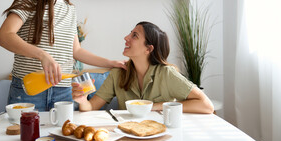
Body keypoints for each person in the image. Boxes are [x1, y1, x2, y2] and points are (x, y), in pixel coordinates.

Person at [0, 0, 126, 111]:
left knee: (62, 136)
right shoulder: (28, 1)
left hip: (63, 91)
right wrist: (42, 55)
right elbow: (4, 36)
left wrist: (110, 62)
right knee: (25, 136)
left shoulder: (69, 9)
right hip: (29, 90)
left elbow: (76, 51)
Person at [72, 21, 214, 114]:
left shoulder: (166, 74)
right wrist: (83, 101)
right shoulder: (117, 74)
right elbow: (91, 107)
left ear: (148, 49)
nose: (126, 37)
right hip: (127, 136)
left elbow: (207, 105)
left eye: (134, 36)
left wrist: (157, 106)